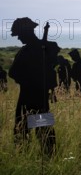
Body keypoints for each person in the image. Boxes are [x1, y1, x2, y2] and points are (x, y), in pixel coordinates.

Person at [8, 18, 60, 155]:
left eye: (19, 34)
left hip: (27, 96)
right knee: (43, 128)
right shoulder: (45, 48)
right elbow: (51, 71)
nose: (18, 38)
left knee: (22, 128)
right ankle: (49, 155)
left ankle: (23, 155)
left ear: (26, 32)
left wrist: (26, 80)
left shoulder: (27, 51)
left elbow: (12, 72)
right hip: (41, 96)